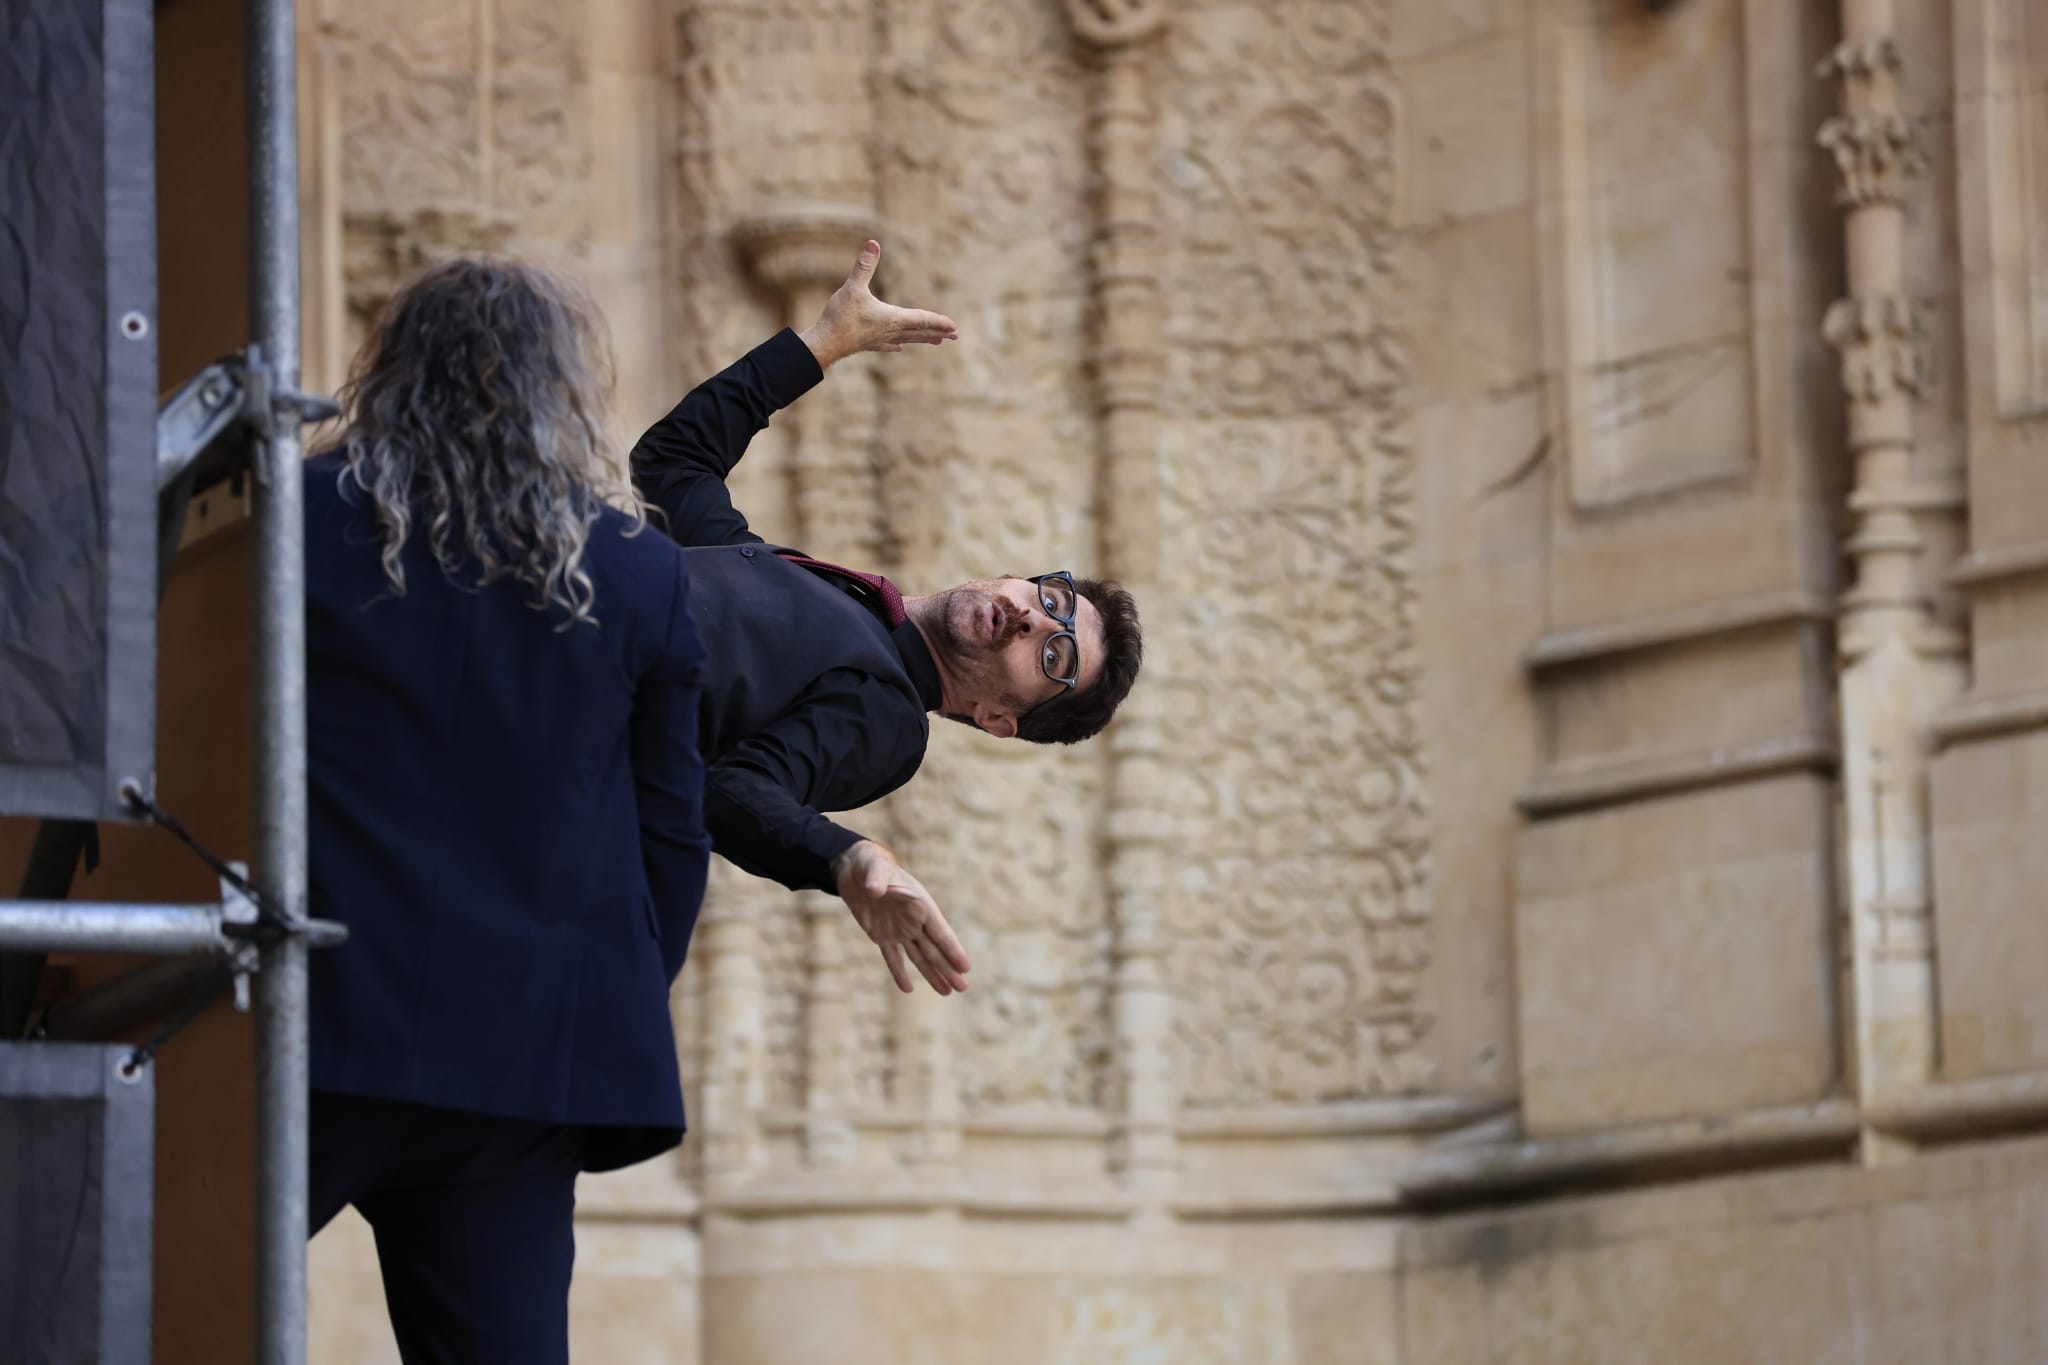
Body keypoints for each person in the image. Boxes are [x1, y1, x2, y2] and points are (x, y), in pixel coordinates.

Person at [302, 257, 710, 1363]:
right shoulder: (639, 575)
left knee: (130, 1303)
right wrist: (586, 993)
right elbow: (672, 838)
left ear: (389, 371)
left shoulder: (292, 523)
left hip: (312, 1023)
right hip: (519, 1061)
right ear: (560, 392)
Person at [631, 241, 1144, 999]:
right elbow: (673, 466)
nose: (1032, 620)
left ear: (997, 718)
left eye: (1053, 656)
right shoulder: (810, 584)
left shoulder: (890, 719)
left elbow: (734, 791)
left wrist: (847, 858)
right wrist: (821, 344)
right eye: (1053, 600)